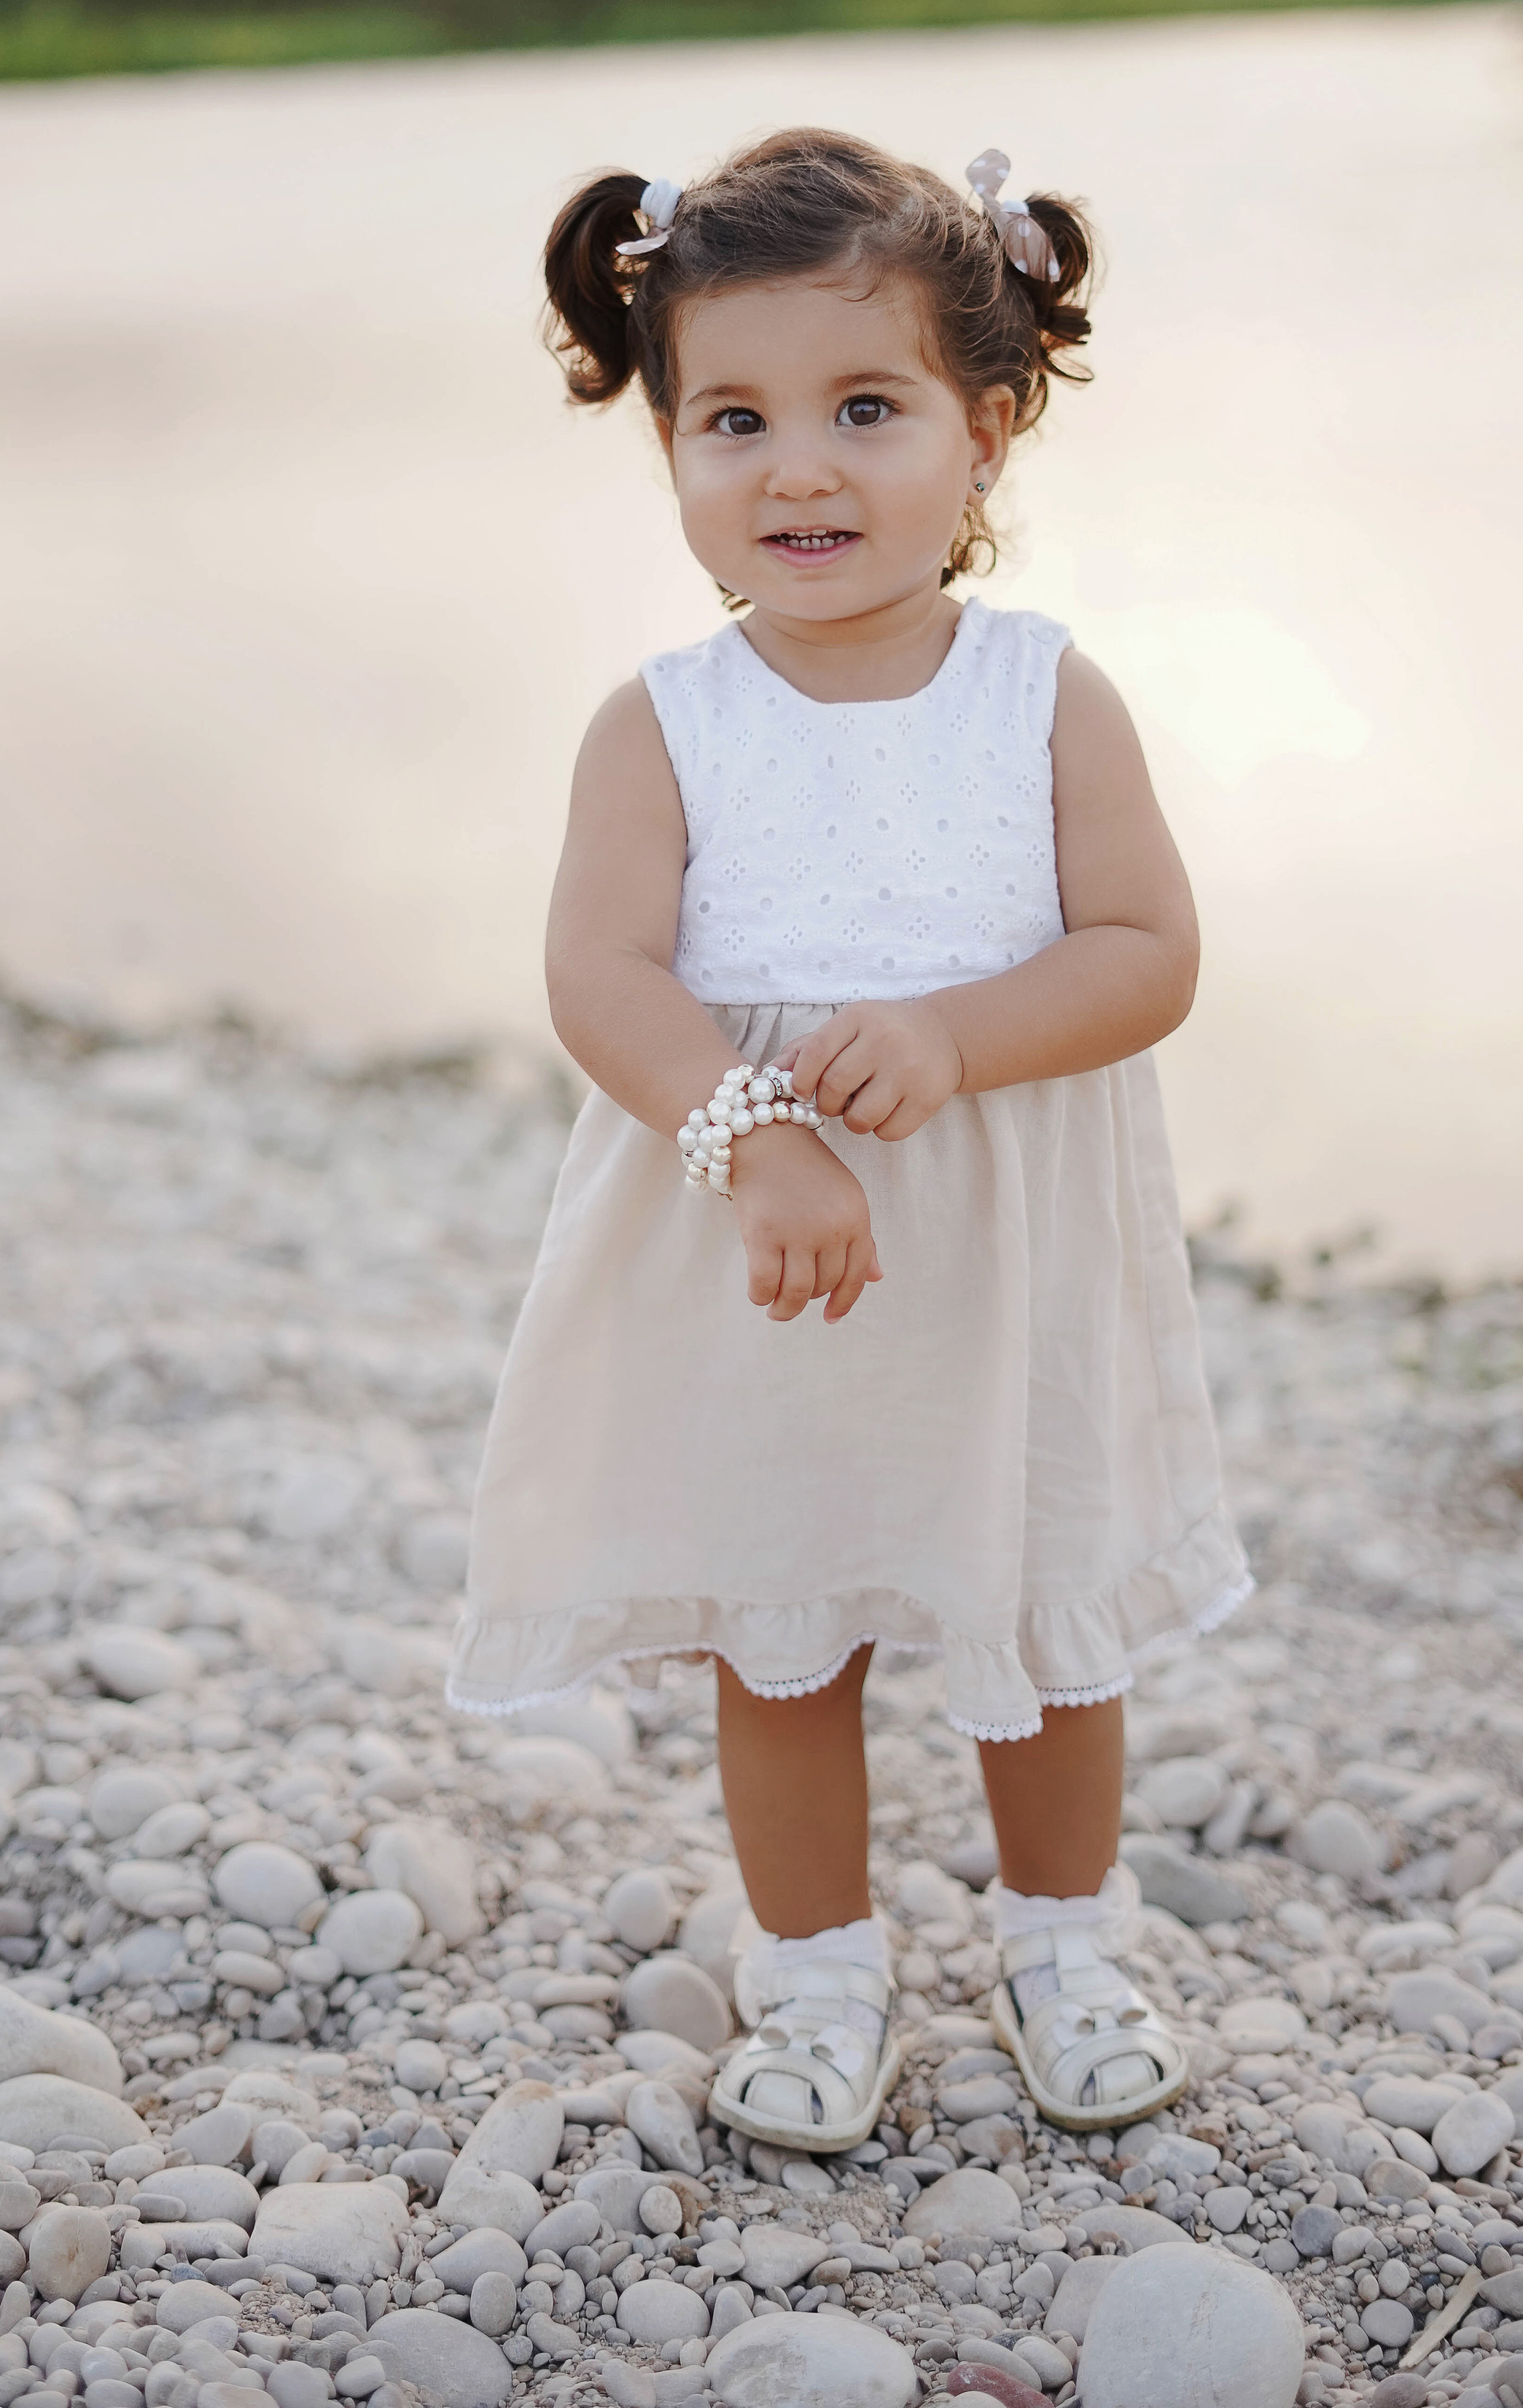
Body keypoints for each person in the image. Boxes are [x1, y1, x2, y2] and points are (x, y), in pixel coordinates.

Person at [448, 128, 1249, 2147]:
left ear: (984, 435)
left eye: (863, 410)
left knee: (1040, 1601)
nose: (796, 468)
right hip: (764, 1254)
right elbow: (603, 977)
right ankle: (814, 1977)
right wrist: (753, 1134)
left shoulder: (1049, 699)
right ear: (669, 452)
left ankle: (1068, 1940)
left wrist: (963, 1036)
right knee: (780, 1624)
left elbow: (1150, 954)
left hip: (1009, 1254)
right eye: (734, 419)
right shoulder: (662, 725)